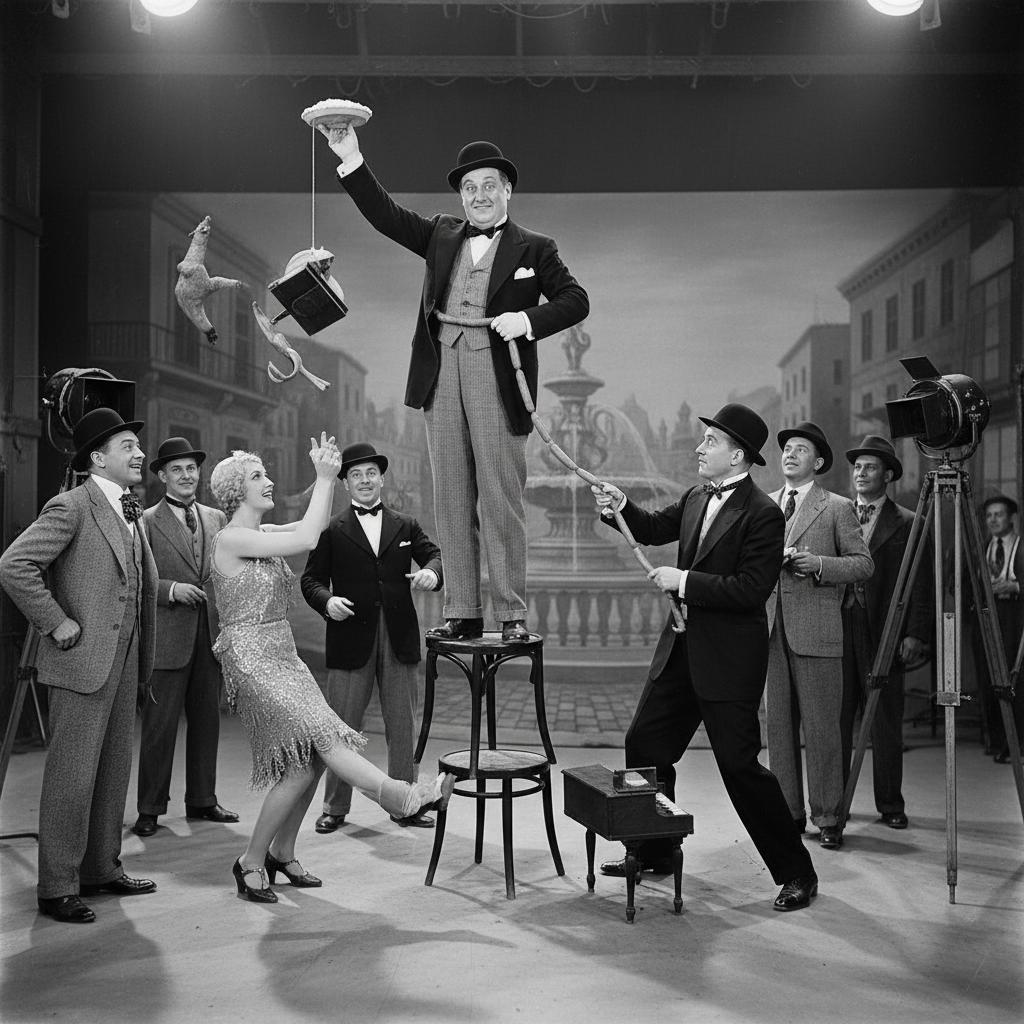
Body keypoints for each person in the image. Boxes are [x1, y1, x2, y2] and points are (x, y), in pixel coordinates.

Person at [323, 125, 589, 642]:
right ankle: (463, 609)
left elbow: (576, 300)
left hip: (498, 377)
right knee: (450, 496)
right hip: (440, 374)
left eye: (489, 185)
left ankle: (511, 615)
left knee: (500, 498)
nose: (479, 195)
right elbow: (385, 215)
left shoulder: (536, 248)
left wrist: (527, 320)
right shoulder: (441, 234)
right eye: (469, 188)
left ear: (507, 190)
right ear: (461, 196)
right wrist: (351, 157)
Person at [207, 436, 455, 904]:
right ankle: (255, 860)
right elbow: (309, 541)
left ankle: (280, 854)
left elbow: (312, 526)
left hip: (285, 656)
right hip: (254, 660)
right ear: (237, 491)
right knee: (320, 744)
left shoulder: (266, 531)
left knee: (309, 763)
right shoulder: (231, 538)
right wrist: (324, 477)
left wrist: (327, 476)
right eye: (259, 476)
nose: (269, 481)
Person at [591, 403, 817, 912]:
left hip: (728, 663)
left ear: (737, 456)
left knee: (739, 769)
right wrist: (620, 505)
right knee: (644, 744)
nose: (700, 447)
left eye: (711, 441)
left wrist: (685, 581)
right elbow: (652, 527)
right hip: (681, 652)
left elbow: (751, 589)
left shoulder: (762, 513)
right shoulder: (697, 496)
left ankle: (797, 873)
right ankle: (655, 850)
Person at [0, 408, 158, 924]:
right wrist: (55, 621)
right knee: (72, 774)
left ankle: (100, 868)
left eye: (137, 446)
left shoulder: (130, 508)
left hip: (124, 660)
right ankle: (57, 886)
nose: (139, 454)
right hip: (81, 661)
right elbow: (14, 565)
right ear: (98, 458)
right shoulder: (71, 506)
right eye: (128, 446)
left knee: (112, 770)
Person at [300, 441, 443, 833]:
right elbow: (310, 581)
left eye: (371, 474)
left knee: (403, 725)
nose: (364, 480)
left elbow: (435, 556)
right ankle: (334, 806)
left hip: (399, 637)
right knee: (342, 726)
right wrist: (327, 601)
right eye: (356, 475)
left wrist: (431, 573)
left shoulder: (406, 524)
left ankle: (406, 804)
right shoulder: (331, 529)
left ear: (382, 479)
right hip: (350, 638)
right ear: (345, 483)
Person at [764, 421, 873, 851]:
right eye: (787, 448)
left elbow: (863, 564)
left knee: (824, 729)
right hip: (771, 631)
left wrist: (820, 565)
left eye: (801, 449)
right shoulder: (766, 506)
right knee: (778, 729)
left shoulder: (837, 507)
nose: (790, 454)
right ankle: (787, 813)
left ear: (819, 461)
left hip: (818, 631)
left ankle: (828, 816)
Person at [133, 436, 238, 838]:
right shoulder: (145, 521)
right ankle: (150, 808)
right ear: (161, 476)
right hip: (167, 637)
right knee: (159, 727)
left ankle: (203, 799)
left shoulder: (217, 518)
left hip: (210, 635)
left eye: (191, 468)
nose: (186, 475)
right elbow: (138, 577)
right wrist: (172, 590)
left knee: (207, 722)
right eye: (176, 469)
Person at [839, 435, 930, 830]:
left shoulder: (910, 523)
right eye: (857, 467)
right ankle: (834, 806)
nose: (861, 473)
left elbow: (921, 583)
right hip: (839, 631)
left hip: (885, 630)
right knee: (837, 721)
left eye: (870, 467)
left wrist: (915, 634)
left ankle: (891, 804)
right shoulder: (837, 514)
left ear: (888, 475)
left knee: (886, 721)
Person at [973, 495, 1024, 763]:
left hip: (1016, 620)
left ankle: (1017, 743)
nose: (993, 520)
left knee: (1017, 679)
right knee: (989, 678)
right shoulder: (980, 548)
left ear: (1011, 517)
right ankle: (995, 740)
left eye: (999, 514)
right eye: (989, 515)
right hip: (988, 621)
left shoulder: (1021, 547)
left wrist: (1015, 586)